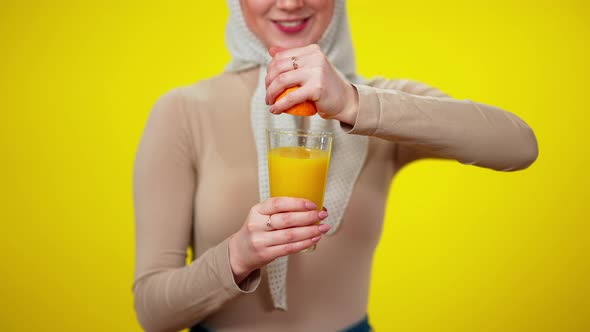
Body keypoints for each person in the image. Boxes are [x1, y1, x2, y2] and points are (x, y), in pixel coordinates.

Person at [132, 0, 538, 331]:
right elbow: (153, 312)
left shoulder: (381, 103)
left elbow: (519, 145)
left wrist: (353, 103)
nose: (290, 3)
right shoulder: (183, 111)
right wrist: (238, 256)